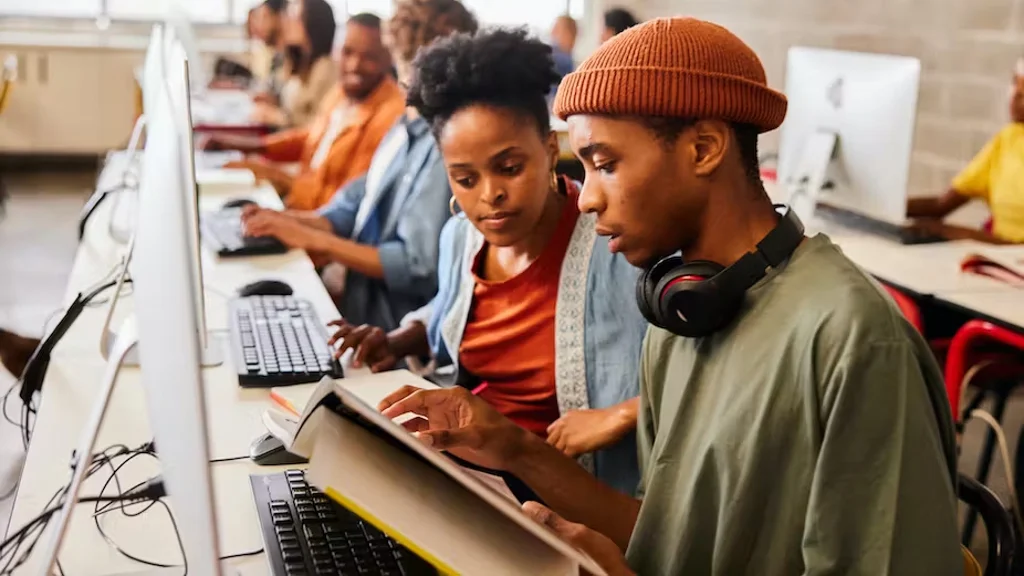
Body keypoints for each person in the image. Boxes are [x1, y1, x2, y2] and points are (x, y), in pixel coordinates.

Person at [376, 18, 962, 576]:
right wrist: (509, 446)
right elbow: (659, 537)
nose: (585, 199)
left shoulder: (853, 340)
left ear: (704, 148)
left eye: (605, 164)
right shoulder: (680, 313)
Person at [329, 28, 646, 497]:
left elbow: (707, 372)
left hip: (562, 491)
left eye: (509, 168)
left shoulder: (617, 246)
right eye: (464, 178)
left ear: (548, 146)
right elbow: (451, 309)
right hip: (470, 471)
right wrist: (396, 340)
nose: (489, 195)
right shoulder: (460, 237)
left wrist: (623, 412)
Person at [240, 0, 479, 333]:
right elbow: (358, 200)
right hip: (358, 311)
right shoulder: (405, 125)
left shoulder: (445, 145)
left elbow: (416, 266)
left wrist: (315, 240)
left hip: (387, 331)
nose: (403, 84)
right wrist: (293, 222)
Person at [206, 12, 405, 211]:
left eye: (369, 57)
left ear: (388, 60)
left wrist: (278, 176)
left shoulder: (390, 116)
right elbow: (311, 138)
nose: (354, 65)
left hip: (316, 220)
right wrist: (247, 146)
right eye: (347, 52)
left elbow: (344, 205)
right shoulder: (342, 92)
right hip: (299, 204)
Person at [907, 58, 1024, 244]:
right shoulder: (1008, 139)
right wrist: (887, 208)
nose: (1015, 96)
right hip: (994, 264)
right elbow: (940, 205)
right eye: (1015, 85)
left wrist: (967, 235)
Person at [246, 0, 338, 128]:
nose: (288, 22)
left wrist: (278, 117)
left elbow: (319, 125)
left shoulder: (324, 68)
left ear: (313, 23)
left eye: (296, 17)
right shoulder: (302, 62)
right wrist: (274, 102)